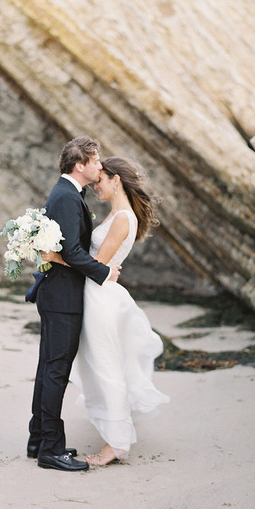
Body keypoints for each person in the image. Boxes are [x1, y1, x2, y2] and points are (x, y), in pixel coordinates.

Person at [46, 157, 169, 467]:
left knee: (106, 368)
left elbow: (95, 266)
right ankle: (115, 433)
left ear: (116, 180)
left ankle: (116, 444)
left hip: (100, 299)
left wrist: (53, 256)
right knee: (98, 368)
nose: (95, 185)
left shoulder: (123, 218)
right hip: (95, 295)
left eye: (100, 179)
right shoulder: (116, 215)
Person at [27, 136, 121, 472]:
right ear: (79, 165)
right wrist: (105, 272)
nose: (100, 166)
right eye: (96, 161)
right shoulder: (66, 197)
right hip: (62, 297)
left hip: (57, 294)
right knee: (56, 371)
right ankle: (50, 449)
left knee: (48, 368)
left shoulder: (68, 194)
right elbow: (71, 252)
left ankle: (39, 438)